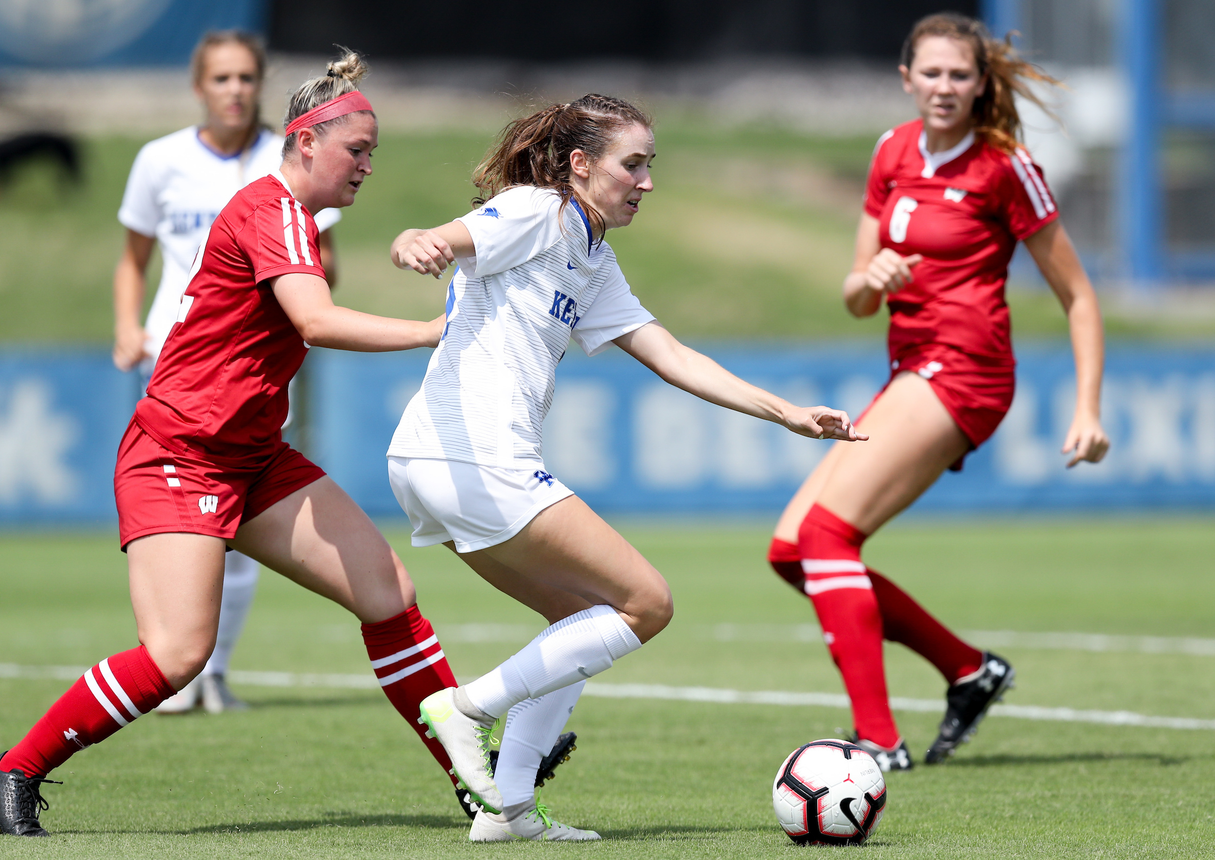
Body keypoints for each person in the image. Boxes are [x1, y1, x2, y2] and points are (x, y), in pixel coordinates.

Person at [0, 51, 467, 838]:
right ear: (306, 142)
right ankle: (17, 768)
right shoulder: (271, 209)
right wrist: (432, 331)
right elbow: (315, 321)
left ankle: (477, 775)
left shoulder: (294, 218)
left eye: (372, 152)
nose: (368, 166)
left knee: (387, 594)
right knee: (176, 657)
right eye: (357, 150)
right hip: (180, 453)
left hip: (252, 455)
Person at [386, 93, 866, 842]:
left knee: (580, 618)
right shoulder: (540, 212)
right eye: (632, 164)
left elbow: (669, 354)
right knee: (647, 603)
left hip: (430, 461)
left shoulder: (592, 255)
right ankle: (467, 707)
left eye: (650, 165)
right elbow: (446, 236)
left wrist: (786, 412)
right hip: (473, 456)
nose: (646, 181)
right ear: (580, 165)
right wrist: (418, 241)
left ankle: (509, 812)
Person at [765, 12, 1110, 772]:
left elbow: (1079, 297)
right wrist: (873, 278)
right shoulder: (891, 150)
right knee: (791, 552)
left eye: (960, 74)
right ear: (907, 79)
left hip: (967, 370)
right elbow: (856, 296)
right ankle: (967, 669)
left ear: (981, 84)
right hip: (910, 368)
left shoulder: (1004, 165)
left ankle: (878, 742)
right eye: (931, 72)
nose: (945, 86)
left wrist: (1088, 407)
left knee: (826, 537)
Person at [112, 31, 340, 714]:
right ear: (198, 87)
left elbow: (324, 260)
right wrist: (126, 326)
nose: (235, 90)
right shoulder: (160, 161)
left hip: (258, 362)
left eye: (246, 77)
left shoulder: (297, 158)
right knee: (182, 523)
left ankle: (210, 669)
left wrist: (299, 304)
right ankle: (171, 664)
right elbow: (133, 257)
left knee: (240, 520)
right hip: (175, 358)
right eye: (221, 78)